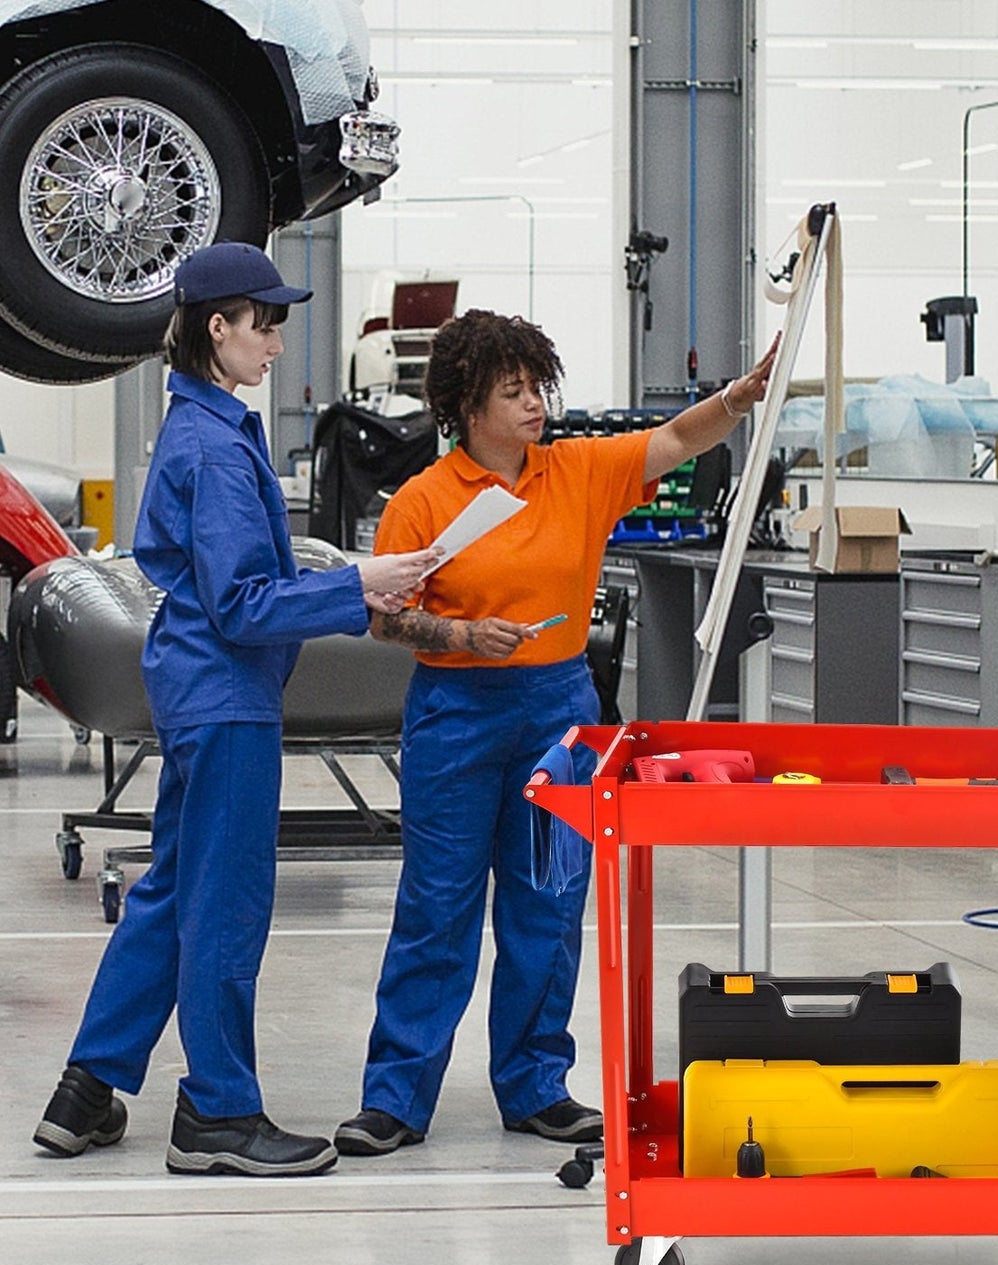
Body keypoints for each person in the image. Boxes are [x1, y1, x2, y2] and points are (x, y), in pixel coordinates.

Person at [33, 242, 439, 1177]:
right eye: (265, 325)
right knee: (224, 906)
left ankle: (85, 1089)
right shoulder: (214, 446)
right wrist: (360, 586)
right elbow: (243, 603)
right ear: (217, 329)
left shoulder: (209, 428)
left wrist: (338, 575)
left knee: (174, 889)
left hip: (205, 692)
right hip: (225, 699)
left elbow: (237, 579)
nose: (277, 345)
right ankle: (216, 1114)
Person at [335, 310, 778, 1153]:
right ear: (468, 406)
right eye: (514, 391)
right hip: (455, 714)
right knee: (438, 908)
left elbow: (676, 439)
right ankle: (395, 1096)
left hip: (557, 709)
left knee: (547, 902)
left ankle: (537, 1082)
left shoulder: (577, 471)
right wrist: (461, 636)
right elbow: (383, 621)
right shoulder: (423, 502)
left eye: (538, 386)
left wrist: (739, 396)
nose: (535, 404)